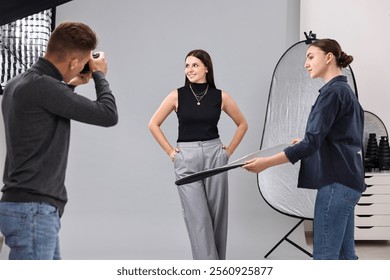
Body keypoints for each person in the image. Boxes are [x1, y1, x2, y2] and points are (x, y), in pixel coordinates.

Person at [0, 22, 118, 260]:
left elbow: (45, 113)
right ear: (74, 62)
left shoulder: (17, 83)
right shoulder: (44, 87)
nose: (81, 68)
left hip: (22, 205)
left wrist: (70, 85)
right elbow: (108, 114)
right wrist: (99, 76)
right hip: (34, 210)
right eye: (82, 63)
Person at [243, 39, 365, 260]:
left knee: (325, 257)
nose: (306, 64)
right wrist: (309, 141)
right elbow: (344, 138)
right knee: (346, 259)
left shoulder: (332, 93)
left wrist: (265, 163)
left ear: (328, 57)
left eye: (310, 57)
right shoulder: (345, 91)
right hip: (350, 183)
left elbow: (312, 143)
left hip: (336, 185)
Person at [148, 49, 248, 260]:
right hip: (187, 158)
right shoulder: (177, 95)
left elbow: (242, 124)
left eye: (194, 65)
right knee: (198, 219)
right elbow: (153, 124)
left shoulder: (221, 96)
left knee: (217, 218)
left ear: (206, 68)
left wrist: (227, 152)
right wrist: (170, 151)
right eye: (186, 65)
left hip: (215, 156)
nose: (189, 69)